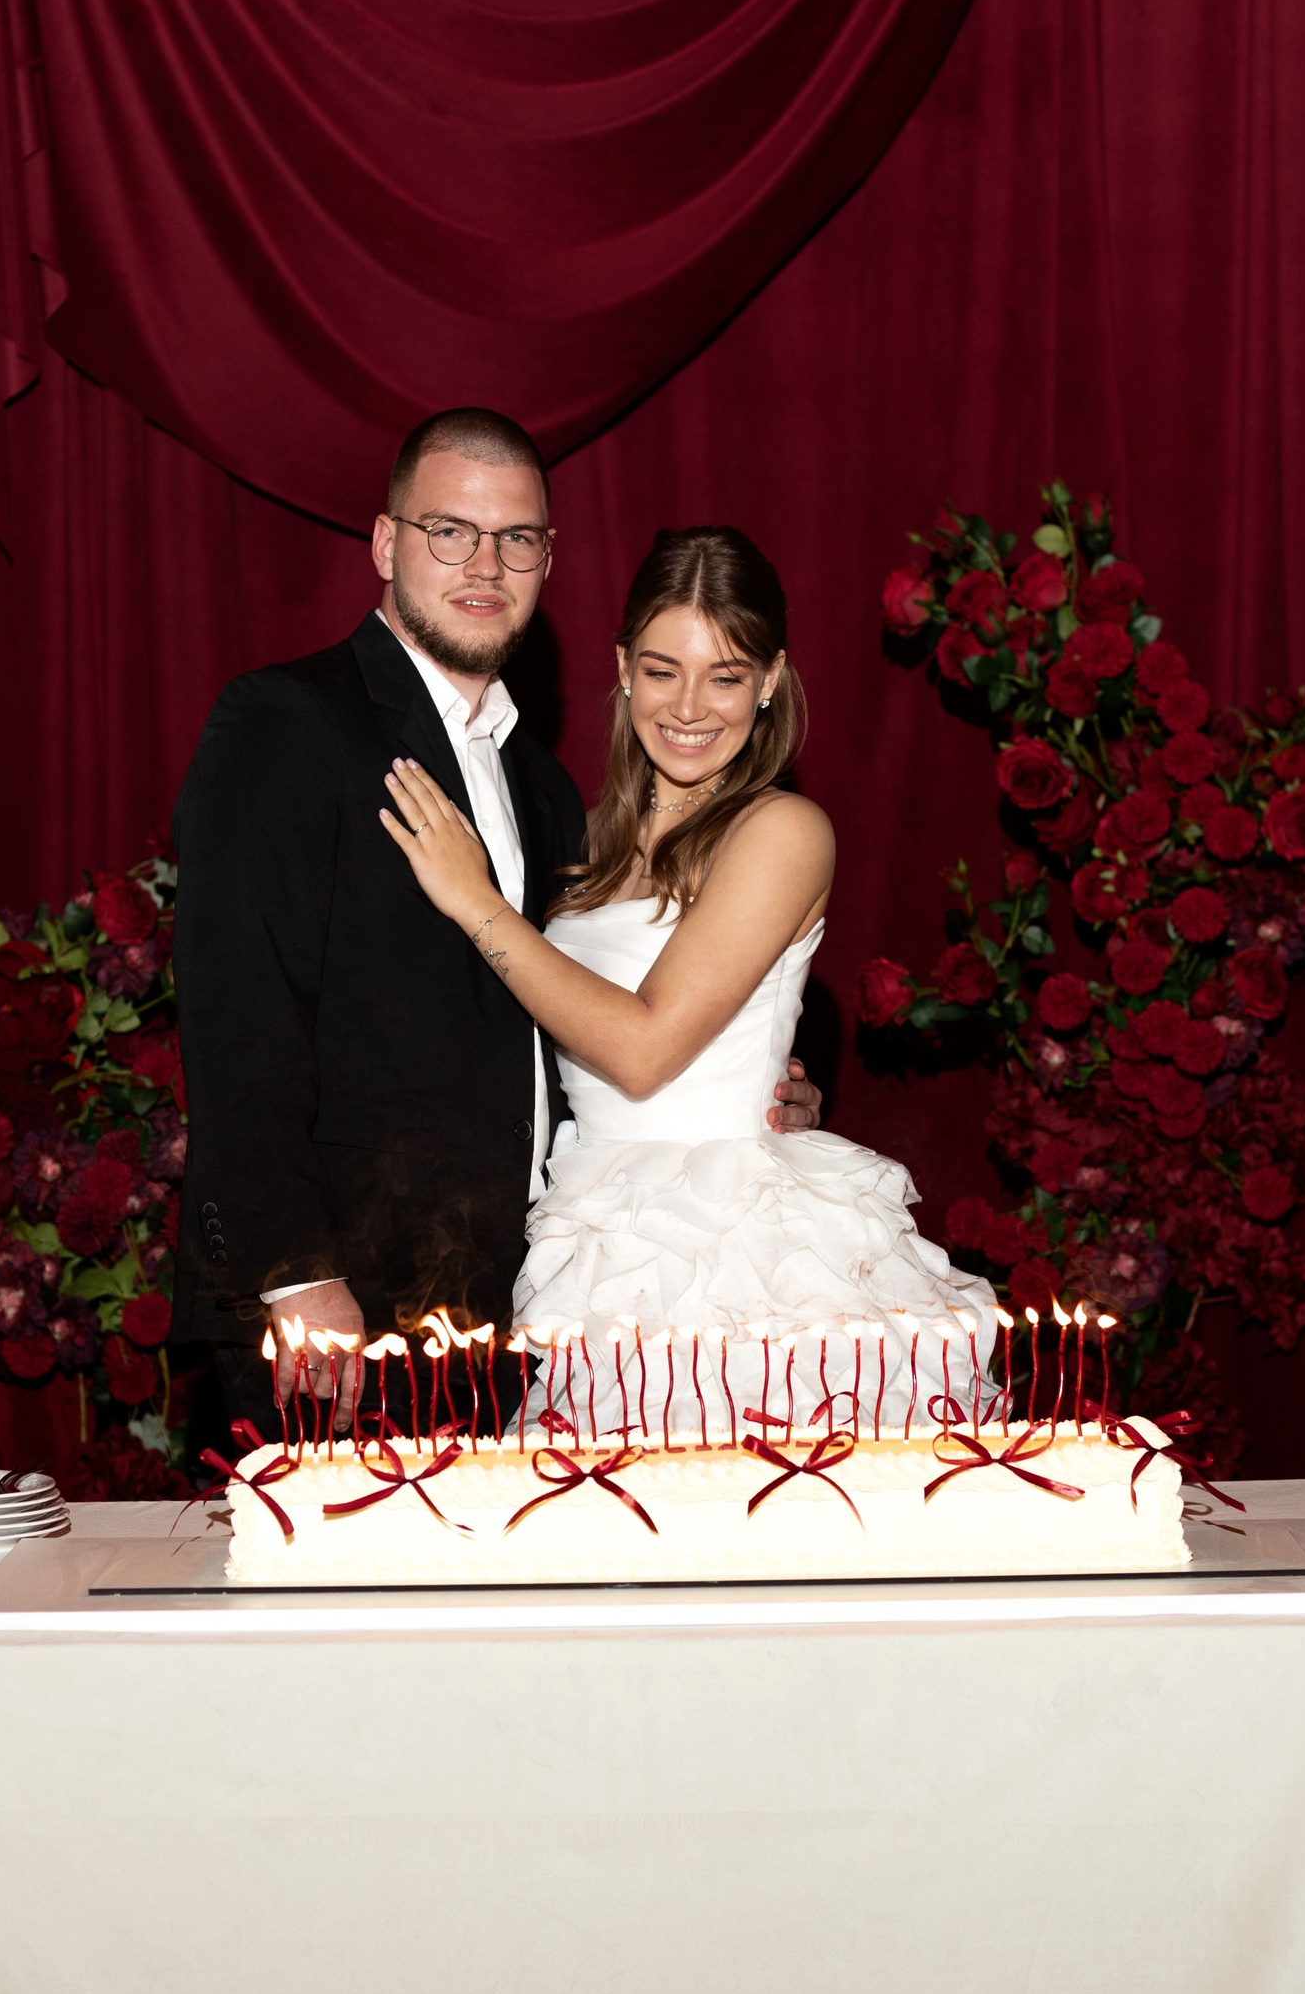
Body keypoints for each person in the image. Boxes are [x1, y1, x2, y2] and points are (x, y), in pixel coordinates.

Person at [170, 411, 821, 1429]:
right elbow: (236, 1015)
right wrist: (293, 1274)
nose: (486, 563)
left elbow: (563, 1022)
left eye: (516, 537)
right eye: (450, 530)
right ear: (386, 543)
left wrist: (746, 1088)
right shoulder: (289, 722)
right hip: (342, 1314)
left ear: (548, 559)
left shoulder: (545, 788)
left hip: (525, 1306)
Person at [378, 524, 1004, 1435]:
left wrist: (474, 901)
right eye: (664, 669)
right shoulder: (588, 839)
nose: (690, 707)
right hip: (596, 1235)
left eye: (726, 675)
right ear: (624, 668)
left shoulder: (783, 830)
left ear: (771, 680)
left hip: (737, 1253)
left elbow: (642, 1050)